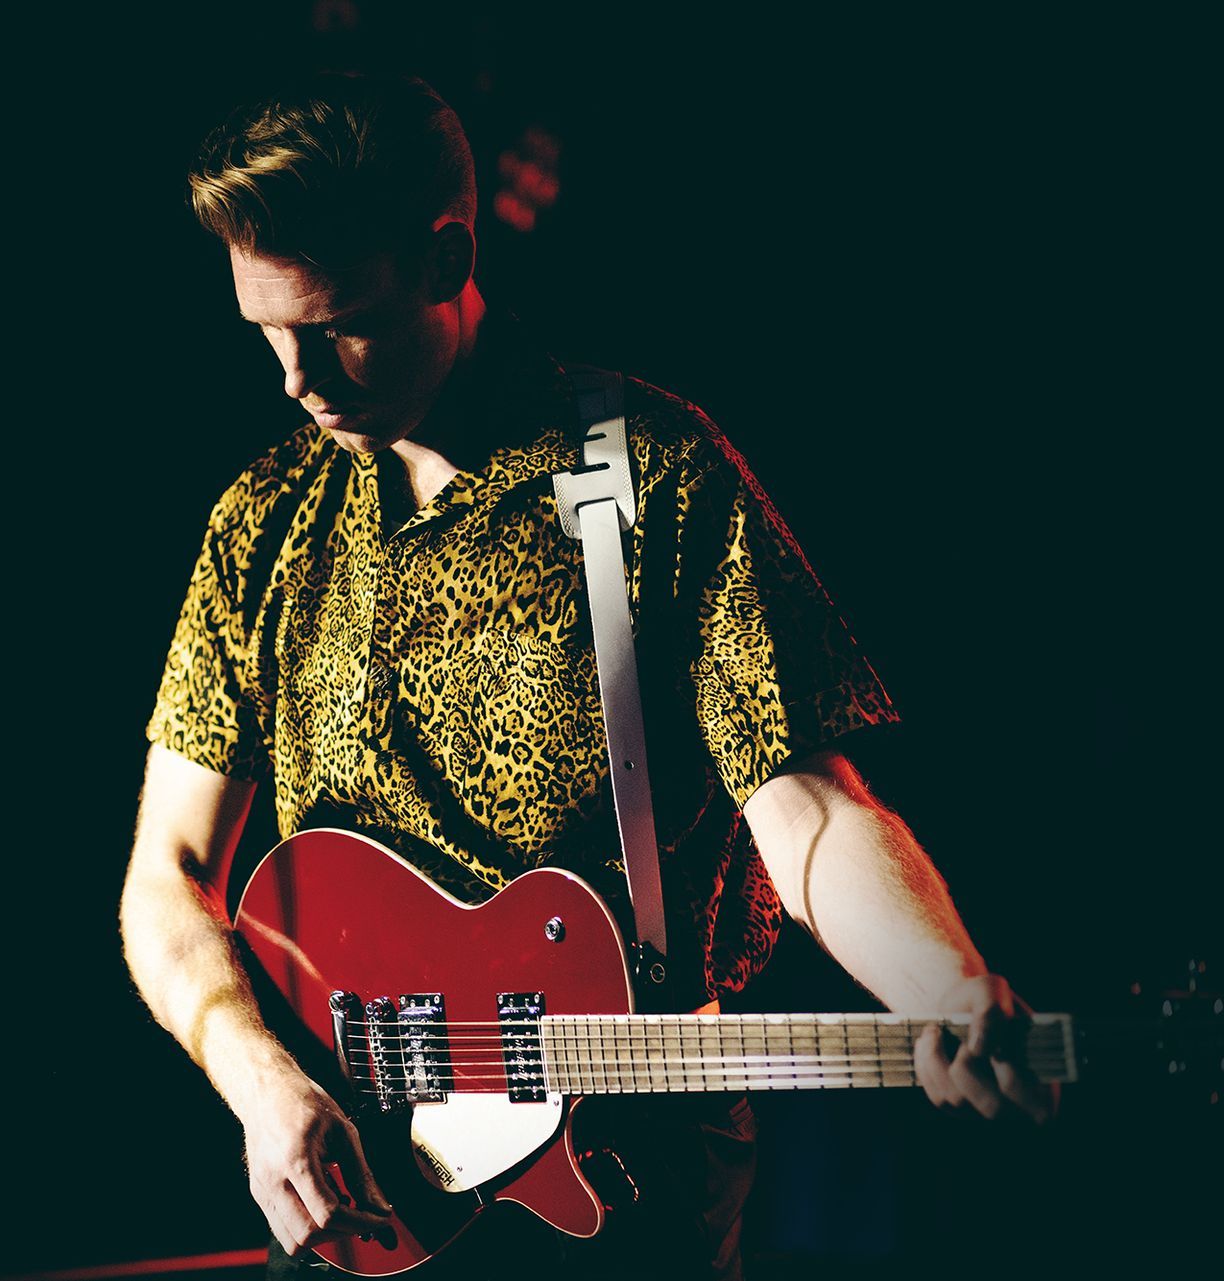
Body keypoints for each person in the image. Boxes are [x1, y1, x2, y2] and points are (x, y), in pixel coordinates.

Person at [118, 71, 1052, 1279]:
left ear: (448, 258)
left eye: (339, 323)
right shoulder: (265, 520)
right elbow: (169, 874)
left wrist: (949, 987)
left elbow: (809, 808)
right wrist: (261, 1084)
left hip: (626, 1175)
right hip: (366, 1187)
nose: (296, 378)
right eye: (266, 333)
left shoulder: (649, 475)